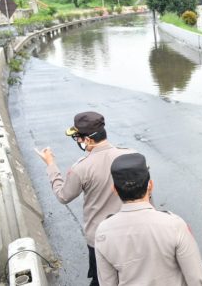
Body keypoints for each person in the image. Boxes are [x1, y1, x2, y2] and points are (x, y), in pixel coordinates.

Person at [36, 111, 135, 286]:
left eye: (77, 138)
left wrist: (51, 165)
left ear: (87, 140)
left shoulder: (81, 168)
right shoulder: (131, 156)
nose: (78, 142)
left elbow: (63, 196)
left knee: (101, 279)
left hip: (100, 239)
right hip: (131, 234)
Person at [94, 153, 202, 286]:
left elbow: (107, 282)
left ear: (114, 189)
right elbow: (197, 279)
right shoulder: (174, 224)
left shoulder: (103, 232)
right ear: (150, 185)